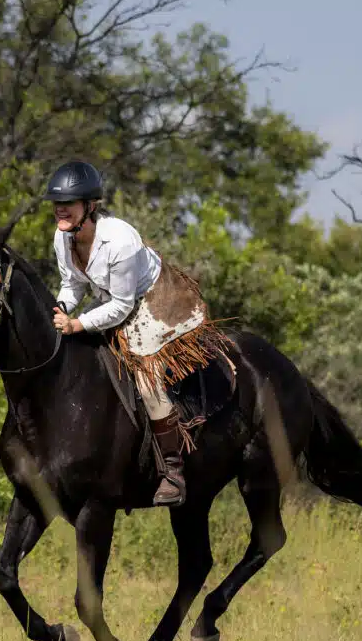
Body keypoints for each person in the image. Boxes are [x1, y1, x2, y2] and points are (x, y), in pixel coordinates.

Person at [46, 160, 230, 507]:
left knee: (147, 377)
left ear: (90, 206)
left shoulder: (121, 241)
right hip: (114, 300)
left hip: (156, 301)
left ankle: (172, 472)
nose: (60, 208)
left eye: (69, 203)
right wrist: (60, 307)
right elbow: (72, 284)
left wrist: (78, 325)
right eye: (57, 203)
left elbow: (121, 306)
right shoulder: (62, 236)